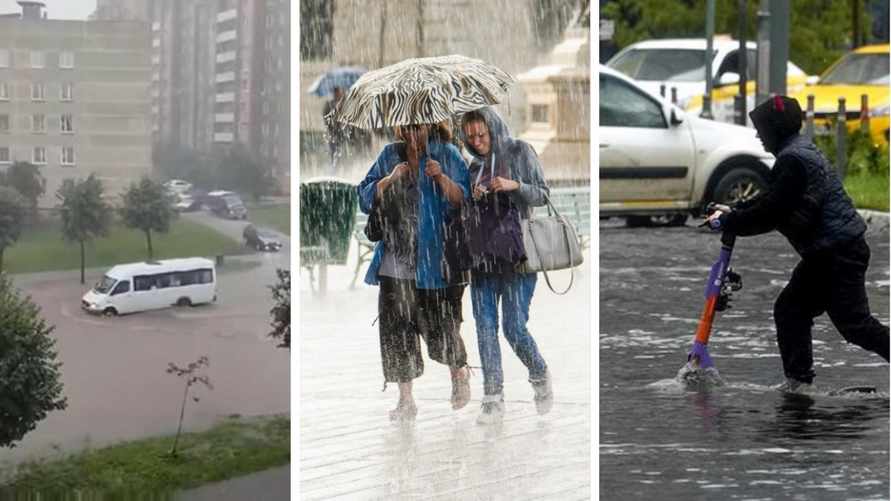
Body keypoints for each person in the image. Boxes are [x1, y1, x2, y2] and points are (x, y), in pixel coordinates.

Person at [707, 95, 890, 392]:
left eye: (762, 129)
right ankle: (798, 383)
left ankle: (799, 383)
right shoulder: (795, 154)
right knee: (792, 310)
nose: (758, 136)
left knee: (854, 325)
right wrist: (735, 212)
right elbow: (771, 198)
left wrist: (732, 223)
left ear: (776, 130)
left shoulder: (793, 161)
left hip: (837, 253)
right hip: (831, 252)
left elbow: (773, 211)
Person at [357, 121, 473, 422]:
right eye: (406, 127)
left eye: (418, 127)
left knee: (441, 327)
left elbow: (464, 199)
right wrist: (389, 178)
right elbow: (364, 196)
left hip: (434, 262)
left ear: (430, 125)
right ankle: (406, 400)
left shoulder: (446, 153)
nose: (411, 134)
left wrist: (441, 177)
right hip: (394, 263)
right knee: (396, 333)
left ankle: (459, 373)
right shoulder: (389, 155)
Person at [459, 107, 553, 424]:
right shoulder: (473, 167)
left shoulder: (519, 151)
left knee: (513, 328)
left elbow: (542, 194)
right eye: (470, 137)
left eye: (481, 135)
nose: (477, 142)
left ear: (493, 129)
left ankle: (539, 373)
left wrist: (514, 186)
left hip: (518, 256)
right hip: (483, 258)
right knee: (485, 329)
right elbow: (468, 212)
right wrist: (474, 196)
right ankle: (493, 398)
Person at [323, 87, 346, 172]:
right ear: (335, 93)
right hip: (332, 134)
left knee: (341, 153)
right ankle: (334, 169)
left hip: (341, 134)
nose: (339, 94)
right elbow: (326, 117)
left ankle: (338, 168)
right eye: (338, 92)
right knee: (333, 152)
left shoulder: (343, 103)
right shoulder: (329, 104)